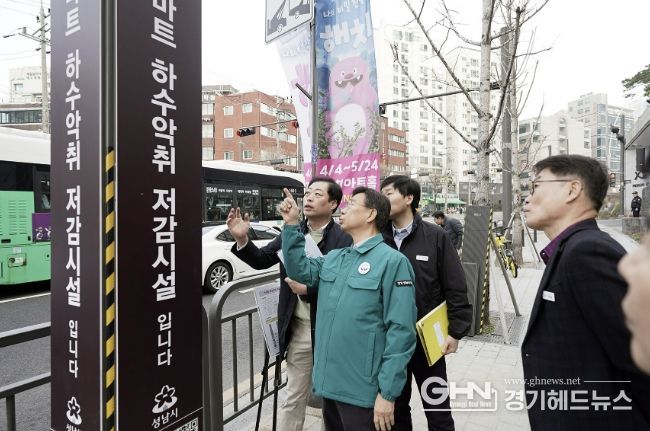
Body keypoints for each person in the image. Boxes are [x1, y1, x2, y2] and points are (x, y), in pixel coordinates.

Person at [521, 154, 650, 430]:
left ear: (572, 190)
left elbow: (638, 360)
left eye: (536, 186)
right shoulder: (571, 248)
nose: (527, 198)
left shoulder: (588, 251)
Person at [279, 187, 417, 431]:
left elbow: (402, 332)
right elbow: (299, 270)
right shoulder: (336, 257)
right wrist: (291, 225)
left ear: (371, 214)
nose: (343, 210)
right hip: (330, 385)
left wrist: (387, 393)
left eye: (351, 204)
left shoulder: (393, 262)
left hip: (363, 390)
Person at [227, 177, 352, 431]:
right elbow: (262, 259)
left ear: (333, 204)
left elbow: (347, 285)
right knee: (293, 396)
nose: (309, 198)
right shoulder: (293, 231)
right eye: (308, 193)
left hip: (333, 329)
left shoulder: (345, 238)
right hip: (300, 329)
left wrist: (309, 289)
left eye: (318, 194)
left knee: (334, 399)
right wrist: (242, 240)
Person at [380, 176, 472, 431]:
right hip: (390, 341)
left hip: (427, 341)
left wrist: (456, 331)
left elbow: (455, 284)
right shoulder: (378, 236)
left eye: (388, 193)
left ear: (409, 198)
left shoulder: (435, 236)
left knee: (438, 409)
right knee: (396, 409)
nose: (382, 199)